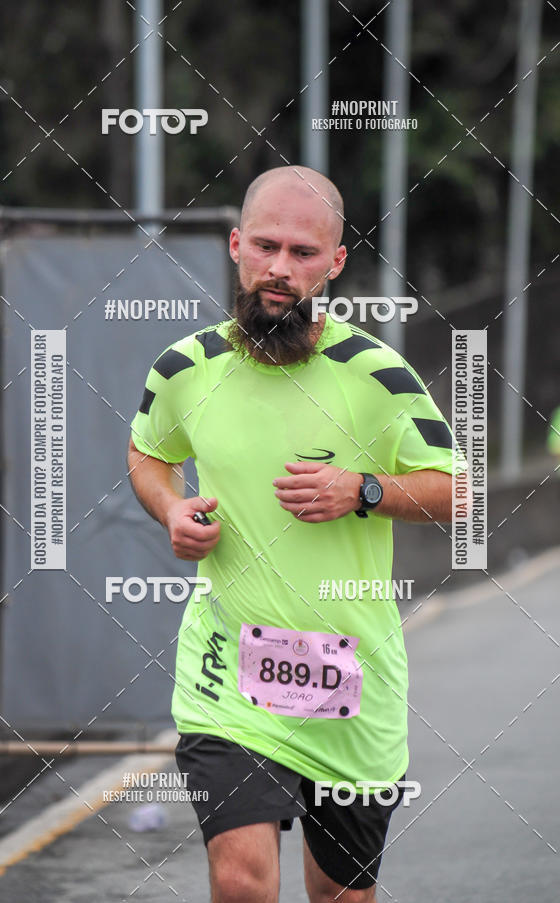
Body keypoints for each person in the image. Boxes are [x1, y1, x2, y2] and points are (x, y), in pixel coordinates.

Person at [128, 165, 456, 902]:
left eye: (303, 252)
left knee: (339, 894)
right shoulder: (185, 367)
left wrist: (364, 489)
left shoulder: (377, 374)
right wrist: (170, 507)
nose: (281, 268)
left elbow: (458, 489)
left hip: (351, 682)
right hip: (226, 678)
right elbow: (149, 450)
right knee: (242, 881)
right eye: (267, 246)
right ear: (238, 246)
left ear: (336, 263)